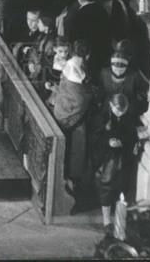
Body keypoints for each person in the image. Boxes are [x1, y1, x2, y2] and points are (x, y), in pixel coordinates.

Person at [53, 39, 97, 210]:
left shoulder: (71, 65)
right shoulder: (75, 69)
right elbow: (79, 98)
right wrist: (91, 95)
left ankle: (73, 181)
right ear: (87, 55)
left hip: (64, 112)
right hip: (73, 119)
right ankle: (72, 183)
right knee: (76, 151)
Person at [90, 93, 139, 233]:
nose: (120, 113)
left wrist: (125, 143)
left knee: (122, 186)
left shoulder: (128, 119)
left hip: (123, 157)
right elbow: (94, 138)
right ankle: (106, 221)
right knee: (106, 185)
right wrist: (108, 142)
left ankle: (119, 217)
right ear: (111, 105)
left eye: (123, 111)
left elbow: (132, 137)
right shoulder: (101, 118)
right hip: (106, 157)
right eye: (117, 110)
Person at [59, 0, 112, 74]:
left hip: (82, 62)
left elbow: (70, 39)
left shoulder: (77, 16)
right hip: (100, 59)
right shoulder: (102, 11)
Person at [98, 40, 149, 120]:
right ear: (111, 65)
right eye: (115, 68)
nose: (118, 71)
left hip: (128, 110)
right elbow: (101, 88)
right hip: (108, 108)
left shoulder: (134, 75)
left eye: (121, 69)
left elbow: (144, 89)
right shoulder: (104, 73)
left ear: (127, 67)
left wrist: (141, 96)